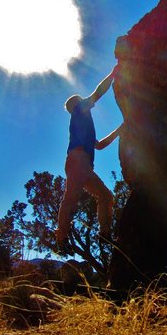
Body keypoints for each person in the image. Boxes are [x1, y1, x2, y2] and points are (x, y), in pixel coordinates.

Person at [55, 67, 123, 255]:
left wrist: (121, 128)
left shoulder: (82, 126)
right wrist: (112, 74)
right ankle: (61, 237)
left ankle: (104, 234)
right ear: (77, 104)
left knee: (106, 197)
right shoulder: (79, 110)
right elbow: (97, 93)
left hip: (84, 166)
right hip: (78, 161)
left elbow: (100, 145)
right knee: (71, 197)